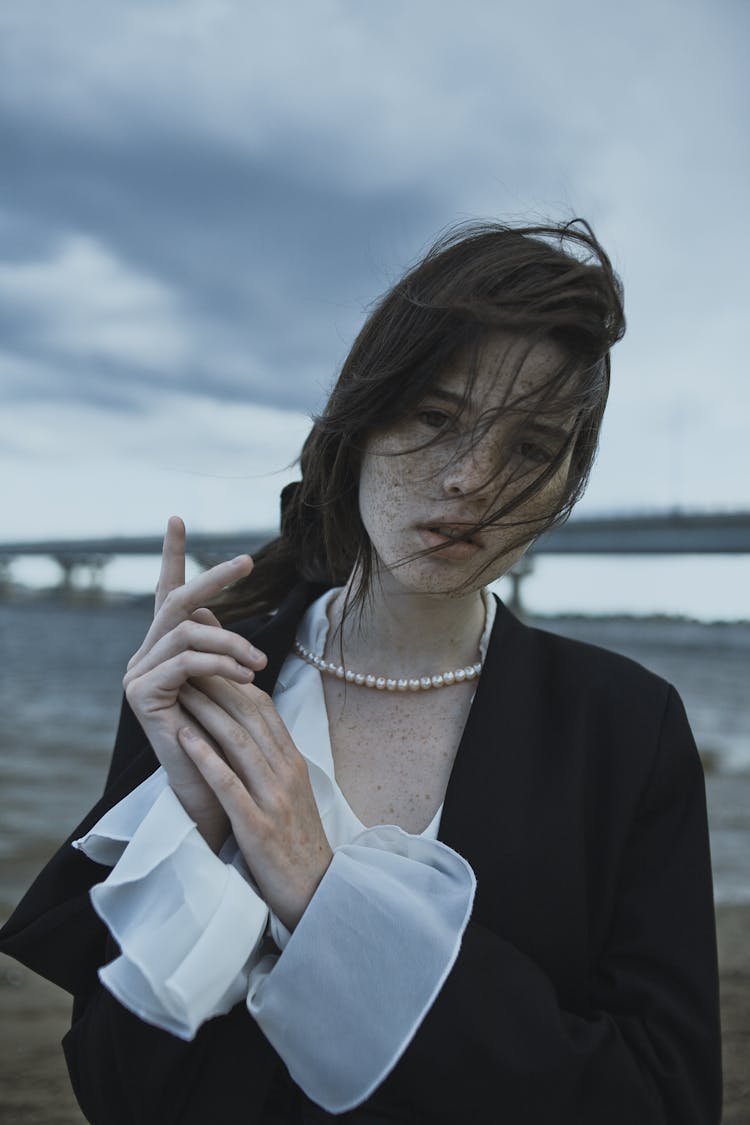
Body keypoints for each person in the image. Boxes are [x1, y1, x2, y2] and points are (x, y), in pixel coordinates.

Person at [0, 221, 722, 1123]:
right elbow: (119, 1089)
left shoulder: (627, 728)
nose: (470, 479)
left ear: (566, 479)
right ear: (363, 415)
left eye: (532, 448)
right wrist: (190, 823)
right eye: (436, 417)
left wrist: (325, 901)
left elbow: (660, 1099)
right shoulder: (213, 683)